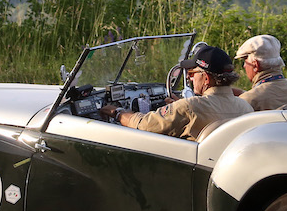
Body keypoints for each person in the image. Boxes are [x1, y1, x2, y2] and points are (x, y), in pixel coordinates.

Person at [100, 45, 252, 140]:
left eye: (192, 73)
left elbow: (143, 124)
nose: (189, 78)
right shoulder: (246, 108)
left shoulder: (189, 107)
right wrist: (178, 106)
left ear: (206, 78)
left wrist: (116, 112)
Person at [234, 34, 287, 111]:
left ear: (255, 65)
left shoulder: (249, 100)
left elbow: (257, 96)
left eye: (245, 60)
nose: (244, 66)